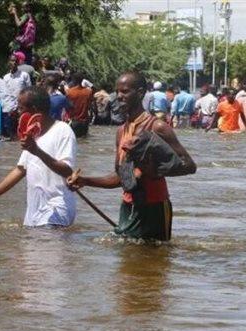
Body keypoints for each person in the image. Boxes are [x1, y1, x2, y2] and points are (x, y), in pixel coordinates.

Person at [67, 72, 196, 241]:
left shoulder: (157, 127)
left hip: (154, 207)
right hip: (128, 205)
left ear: (140, 93)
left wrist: (151, 170)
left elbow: (189, 166)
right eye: (118, 91)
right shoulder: (121, 131)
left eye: (125, 92)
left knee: (155, 261)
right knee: (127, 263)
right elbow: (121, 177)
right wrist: (85, 181)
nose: (119, 96)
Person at [0, 86, 77, 226]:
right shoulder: (33, 135)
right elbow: (20, 170)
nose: (17, 113)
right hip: (34, 213)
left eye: (21, 109)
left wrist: (37, 151)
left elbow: (67, 171)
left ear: (34, 110)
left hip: (56, 212)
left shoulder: (63, 131)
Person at [0, 54, 31, 140]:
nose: (13, 63)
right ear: (8, 62)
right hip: (9, 109)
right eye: (12, 61)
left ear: (18, 63)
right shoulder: (5, 77)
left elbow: (29, 91)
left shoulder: (24, 75)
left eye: (15, 61)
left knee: (22, 133)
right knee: (11, 135)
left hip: (22, 109)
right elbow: (5, 94)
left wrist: (21, 107)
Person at [65, 72, 92, 137]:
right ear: (83, 80)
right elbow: (89, 105)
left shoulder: (69, 92)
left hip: (74, 121)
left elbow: (67, 107)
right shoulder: (88, 92)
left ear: (73, 80)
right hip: (85, 121)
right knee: (84, 141)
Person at [9, 1, 36, 65]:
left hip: (21, 44)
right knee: (27, 63)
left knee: (15, 61)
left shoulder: (26, 15)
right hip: (29, 45)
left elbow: (19, 24)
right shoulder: (32, 17)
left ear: (28, 7)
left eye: (23, 7)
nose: (22, 9)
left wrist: (15, 13)